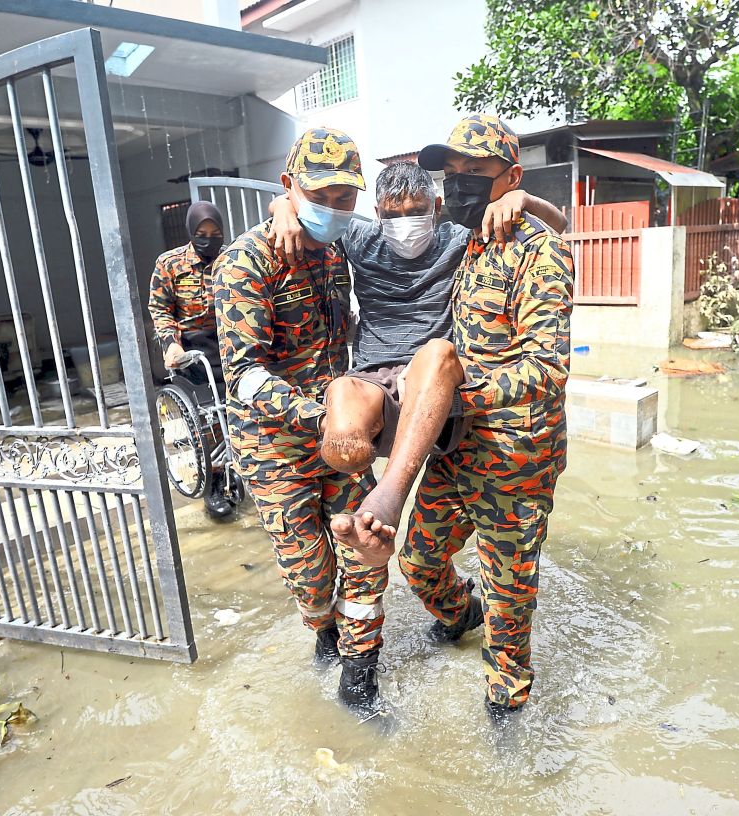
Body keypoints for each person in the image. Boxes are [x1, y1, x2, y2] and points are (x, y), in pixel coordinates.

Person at [268, 163, 567, 568]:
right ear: (377, 214)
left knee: (436, 353)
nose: (404, 222)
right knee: (340, 401)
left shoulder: (459, 236)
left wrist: (522, 199)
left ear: (437, 207)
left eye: (416, 211)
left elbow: (558, 224)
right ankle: (367, 530)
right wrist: (282, 208)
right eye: (392, 215)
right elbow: (306, 207)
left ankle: (388, 500)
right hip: (373, 378)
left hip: (431, 380)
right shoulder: (359, 239)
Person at [400, 114, 574, 723]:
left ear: (511, 177)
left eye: (476, 173)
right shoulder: (471, 240)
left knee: (509, 590)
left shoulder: (538, 253)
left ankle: (508, 699)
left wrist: (453, 397)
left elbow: (548, 368)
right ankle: (458, 614)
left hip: (516, 453)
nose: (460, 185)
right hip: (460, 444)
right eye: (453, 174)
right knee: (417, 559)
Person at [213, 127, 386, 712]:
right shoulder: (245, 261)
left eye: (346, 199)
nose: (335, 210)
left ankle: (360, 672)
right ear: (289, 187)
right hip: (274, 446)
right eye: (321, 197)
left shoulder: (339, 249)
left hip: (341, 437)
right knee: (310, 572)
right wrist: (323, 416)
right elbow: (245, 374)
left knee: (365, 546)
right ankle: (324, 630)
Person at [148, 200, 236, 520]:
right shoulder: (169, 264)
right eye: (202, 233)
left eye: (215, 233)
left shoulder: (233, 258)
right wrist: (171, 345)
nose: (209, 238)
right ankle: (213, 485)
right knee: (209, 417)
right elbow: (160, 310)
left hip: (230, 342)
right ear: (190, 231)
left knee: (241, 409)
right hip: (191, 351)